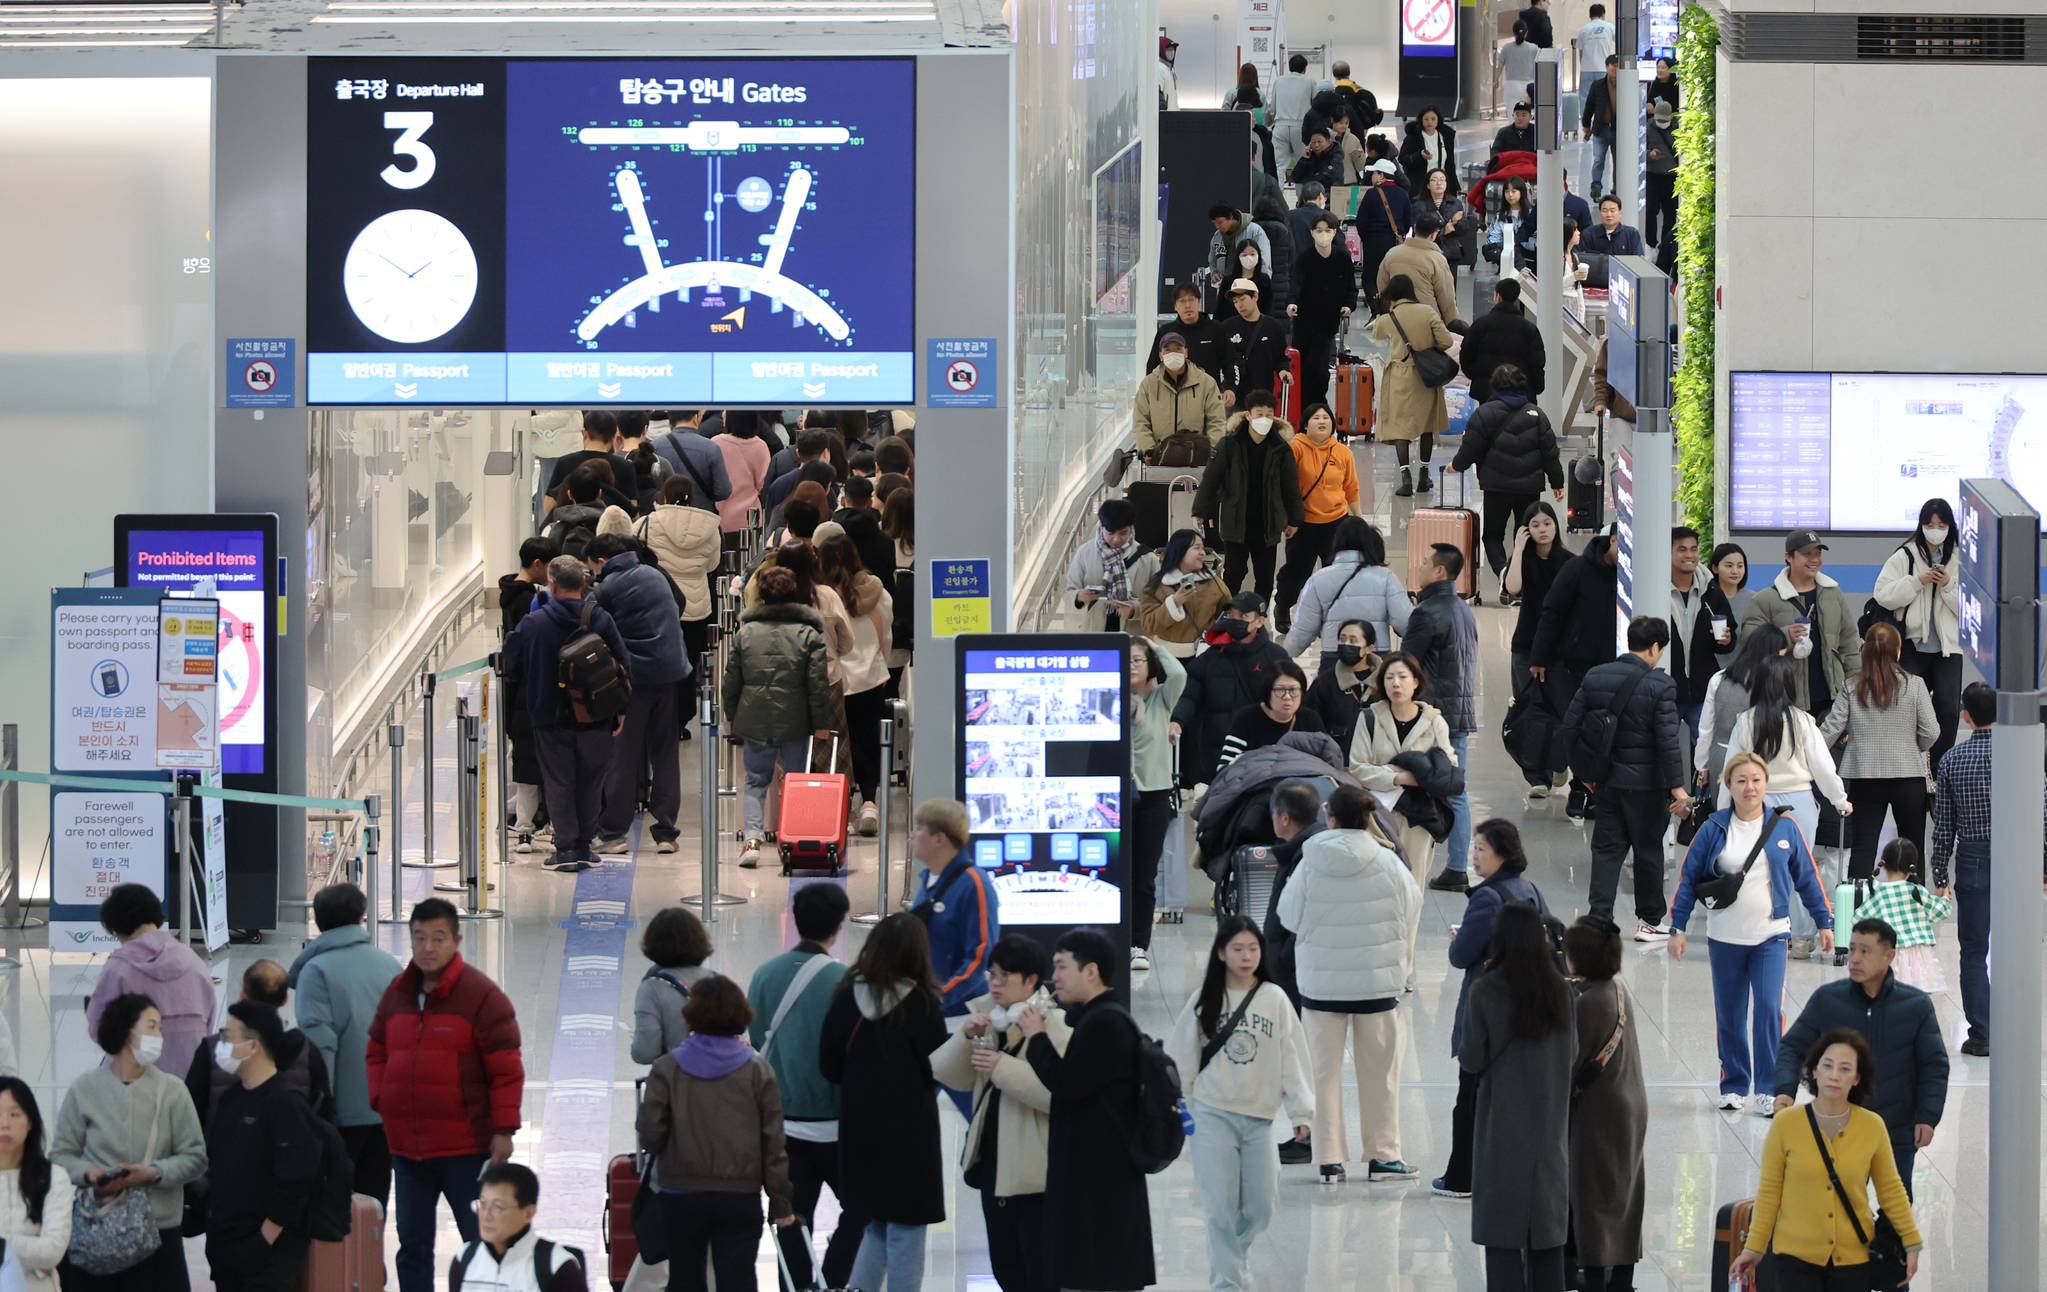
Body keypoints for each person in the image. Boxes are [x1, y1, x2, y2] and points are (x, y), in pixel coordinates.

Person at [368, 898, 524, 1292]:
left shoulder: (482, 997)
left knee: (484, 1242)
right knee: (412, 1245)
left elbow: (506, 1070)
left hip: (464, 1150)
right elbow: (376, 1049)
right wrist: (381, 1099)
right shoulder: (397, 994)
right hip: (408, 1152)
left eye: (438, 938)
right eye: (419, 938)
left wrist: (503, 1130)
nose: (427, 948)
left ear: (456, 940)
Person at [1668, 753, 1836, 1115]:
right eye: (1741, 780)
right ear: (1728, 786)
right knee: (1729, 1014)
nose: (1750, 787)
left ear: (1766, 785)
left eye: (1757, 780)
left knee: (1767, 1012)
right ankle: (1733, 1084)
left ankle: (1768, 1087)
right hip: (1725, 937)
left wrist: (1824, 922)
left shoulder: (1784, 828)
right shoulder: (1712, 829)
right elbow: (1688, 881)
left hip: (1771, 937)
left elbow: (1807, 878)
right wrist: (1677, 927)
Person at [1275, 785, 1421, 1187]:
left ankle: (1329, 1160)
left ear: (1331, 817)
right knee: (1381, 1074)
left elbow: (1288, 916)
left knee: (1322, 1075)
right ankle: (1383, 1157)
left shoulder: (1310, 860)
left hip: (1321, 986)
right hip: (1377, 986)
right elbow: (1412, 909)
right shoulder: (1389, 861)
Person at [1166, 918, 1313, 1287]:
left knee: (1261, 1207)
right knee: (1219, 1210)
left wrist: (1301, 1110)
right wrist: (1179, 1107)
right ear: (1220, 953)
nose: (1246, 956)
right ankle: (1227, 1282)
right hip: (1211, 1115)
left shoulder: (1274, 998)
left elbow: (1293, 1057)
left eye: (1253, 948)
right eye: (1237, 948)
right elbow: (1182, 1056)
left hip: (1260, 1117)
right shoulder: (1204, 1000)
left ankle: (1235, 1258)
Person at [1772, 919, 1948, 1206]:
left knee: (1896, 1212)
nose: (1854, 958)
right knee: (1835, 1211)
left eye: (1865, 951)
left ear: (1889, 956)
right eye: (1852, 949)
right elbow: (1793, 1045)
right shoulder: (1828, 1000)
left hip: (1896, 1131)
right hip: (1837, 1129)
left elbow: (1934, 1065)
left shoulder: (1915, 1006)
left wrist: (1928, 1116)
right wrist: (1784, 1090)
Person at [929, 936, 1068, 1292]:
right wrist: (965, 1036)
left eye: (1005, 976)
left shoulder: (1055, 1025)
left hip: (1036, 1171)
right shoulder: (990, 1019)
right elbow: (947, 1075)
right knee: (1005, 1268)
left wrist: (1001, 1067)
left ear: (1031, 980)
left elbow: (1061, 1096)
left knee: (1038, 1271)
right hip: (993, 1165)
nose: (994, 983)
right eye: (992, 974)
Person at [1018, 929, 1154, 1292]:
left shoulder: (1106, 1023)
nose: (1055, 977)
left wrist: (1036, 1038)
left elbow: (1065, 1084)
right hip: (1097, 1183)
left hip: (1101, 1192)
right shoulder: (1097, 1018)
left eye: (1062, 967)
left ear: (1090, 971)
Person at [637, 975, 793, 1292]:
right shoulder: (757, 1070)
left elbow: (651, 1135)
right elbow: (773, 1144)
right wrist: (781, 1202)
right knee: (739, 1282)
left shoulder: (667, 1068)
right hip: (740, 1197)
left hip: (680, 1196)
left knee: (684, 1280)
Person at [819, 914, 948, 1292]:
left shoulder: (847, 997)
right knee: (907, 1233)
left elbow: (828, 1064)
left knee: (874, 1225)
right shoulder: (922, 1005)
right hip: (911, 1139)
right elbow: (937, 1068)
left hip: (859, 1133)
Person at [1735, 1030, 1923, 1289]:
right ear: (1813, 1071)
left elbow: (1891, 1189)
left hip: (1854, 1259)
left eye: (1845, 1069)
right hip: (1795, 1258)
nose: (1834, 1075)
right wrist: (1753, 1250)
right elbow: (1769, 1192)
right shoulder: (1786, 1124)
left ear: (1857, 1078)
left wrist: (1911, 1241)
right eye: (1827, 1066)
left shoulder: (1872, 1126)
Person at [747, 885, 864, 1290]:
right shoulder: (844, 981)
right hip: (836, 1127)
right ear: (838, 925)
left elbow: (758, 1038)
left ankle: (797, 1286)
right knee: (861, 1209)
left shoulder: (764, 976)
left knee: (791, 1218)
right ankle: (833, 1280)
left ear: (795, 920)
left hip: (782, 1128)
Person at [52, 995, 206, 1292]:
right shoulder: (84, 1090)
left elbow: (196, 1156)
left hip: (159, 1232)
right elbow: (61, 1154)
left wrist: (153, 1172)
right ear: (126, 1033)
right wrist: (90, 1174)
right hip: (98, 1228)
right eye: (152, 1027)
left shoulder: (172, 1090)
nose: (159, 1037)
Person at [1930, 680, 2047, 1057]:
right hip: (2020, 859)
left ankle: (1982, 1034)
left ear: (1965, 716)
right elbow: (2041, 816)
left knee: (1973, 950)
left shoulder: (1951, 760)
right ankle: (2020, 1029)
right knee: (2020, 949)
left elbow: (1944, 825)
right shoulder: (2025, 756)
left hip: (1974, 859)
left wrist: (1939, 874)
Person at [1463, 902, 1575, 1290]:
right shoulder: (1562, 991)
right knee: (1547, 1242)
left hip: (1502, 1131)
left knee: (1502, 1239)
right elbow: (1572, 1055)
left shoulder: (1486, 989)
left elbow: (1472, 1056)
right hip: (1550, 1133)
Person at [1562, 616, 1691, 939]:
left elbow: (1570, 727)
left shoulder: (1596, 676)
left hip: (1607, 782)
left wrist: (1585, 775)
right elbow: (1667, 740)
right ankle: (1649, 920)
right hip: (1647, 786)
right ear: (1656, 647)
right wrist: (1677, 786)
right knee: (1648, 850)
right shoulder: (1661, 685)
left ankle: (1599, 919)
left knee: (1606, 850)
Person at [500, 555, 631, 871]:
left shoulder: (535, 623)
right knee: (591, 781)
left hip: (549, 716)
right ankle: (585, 846)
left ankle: (566, 848)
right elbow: (624, 663)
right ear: (584, 583)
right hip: (596, 715)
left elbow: (510, 656)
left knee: (559, 782)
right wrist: (621, 710)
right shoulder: (600, 618)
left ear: (552, 584)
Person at [287, 883, 402, 1201]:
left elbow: (319, 1045)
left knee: (332, 1211)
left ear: (319, 922)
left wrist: (317, 1113)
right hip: (386, 1109)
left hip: (341, 1115)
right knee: (373, 1205)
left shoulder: (316, 971)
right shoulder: (388, 964)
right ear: (361, 918)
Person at [202, 1002, 323, 1292]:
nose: (221, 1044)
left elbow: (295, 1185)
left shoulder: (286, 1105)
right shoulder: (232, 1098)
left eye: (227, 1037)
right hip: (226, 1248)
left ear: (253, 1047)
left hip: (266, 1257)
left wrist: (261, 1243)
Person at [581, 533, 686, 854]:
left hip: (632, 682)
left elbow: (587, 626)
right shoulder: (656, 574)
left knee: (623, 756)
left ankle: (613, 833)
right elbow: (680, 605)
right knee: (665, 753)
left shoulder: (606, 589)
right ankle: (667, 831)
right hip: (671, 674)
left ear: (601, 561)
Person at [723, 565, 833, 867]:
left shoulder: (745, 633)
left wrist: (730, 715)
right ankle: (795, 838)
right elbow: (818, 685)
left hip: (754, 717)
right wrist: (821, 723)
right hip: (796, 719)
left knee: (756, 781)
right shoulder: (809, 634)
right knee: (797, 781)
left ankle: (753, 840)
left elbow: (731, 680)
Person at [1563, 917, 1645, 1292]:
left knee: (1592, 1195)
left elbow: (1568, 1065)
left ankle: (1595, 1276)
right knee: (1624, 1193)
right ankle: (1623, 1275)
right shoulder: (1617, 990)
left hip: (1598, 1113)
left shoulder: (1588, 1003)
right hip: (1629, 1104)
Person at [1347, 650, 1459, 925]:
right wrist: (1398, 777)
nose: (1396, 683)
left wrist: (1413, 773)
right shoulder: (1369, 719)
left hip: (1419, 820)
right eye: (1389, 677)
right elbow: (1357, 768)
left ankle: (1403, 966)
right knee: (1375, 893)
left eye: (1402, 677)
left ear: (1416, 682)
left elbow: (1449, 768)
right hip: (1375, 819)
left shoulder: (1434, 722)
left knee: (1411, 893)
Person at [1821, 622, 1937, 881]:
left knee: (1863, 846)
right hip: (1908, 777)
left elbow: (1830, 730)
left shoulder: (1851, 686)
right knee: (1912, 847)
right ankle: (1912, 906)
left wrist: (1807, 757)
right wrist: (1912, 746)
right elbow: (1932, 731)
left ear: (1865, 651)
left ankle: (1857, 908)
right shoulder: (1915, 685)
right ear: (1898, 652)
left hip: (1864, 776)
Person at [1402, 543, 1479, 888]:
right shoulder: (1463, 609)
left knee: (1408, 784)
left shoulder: (1427, 612)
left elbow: (1407, 666)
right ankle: (1458, 866)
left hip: (1431, 715)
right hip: (1459, 712)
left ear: (1439, 572)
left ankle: (1407, 858)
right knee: (1455, 791)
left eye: (1424, 563)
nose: (1419, 568)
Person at [1530, 527, 1620, 817]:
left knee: (1612, 731)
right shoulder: (1578, 569)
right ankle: (1580, 788)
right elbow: (1552, 612)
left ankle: (1600, 790)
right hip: (1579, 664)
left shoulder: (1634, 573)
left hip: (1622, 665)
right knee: (1584, 728)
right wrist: (1539, 656)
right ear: (1613, 540)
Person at [84, 885, 216, 1080]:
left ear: (117, 928)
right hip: (192, 1074)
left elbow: (101, 1031)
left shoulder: (119, 968)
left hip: (133, 1076)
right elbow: (209, 1022)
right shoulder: (194, 962)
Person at [1449, 365, 1564, 585]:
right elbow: (1550, 452)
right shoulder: (1536, 414)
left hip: (1496, 486)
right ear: (1523, 384)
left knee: (1492, 535)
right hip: (1529, 488)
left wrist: (1456, 466)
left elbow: (1470, 448)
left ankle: (1504, 574)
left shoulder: (1483, 413)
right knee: (1526, 533)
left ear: (1494, 386)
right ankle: (1523, 579)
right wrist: (1557, 482)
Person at [1723, 654, 1852, 848]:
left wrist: (1723, 810)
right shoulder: (1803, 721)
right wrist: (1840, 801)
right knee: (1798, 869)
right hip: (1798, 804)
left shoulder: (1744, 722)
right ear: (1790, 684)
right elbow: (1823, 769)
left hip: (1755, 802)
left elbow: (1730, 772)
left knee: (1759, 869)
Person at [184, 961, 332, 1127]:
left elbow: (190, 1112)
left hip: (223, 1150)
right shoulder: (307, 1051)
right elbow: (323, 1112)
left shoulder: (212, 1050)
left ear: (243, 995)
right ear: (285, 999)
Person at [1872, 498, 1963, 766]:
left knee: (1948, 710)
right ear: (1921, 525)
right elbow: (1882, 594)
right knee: (1907, 709)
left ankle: (1938, 767)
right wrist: (1916, 581)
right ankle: (1909, 764)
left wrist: (1947, 585)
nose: (1935, 529)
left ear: (1950, 526)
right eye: (1929, 524)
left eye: (1942, 524)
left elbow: (1972, 607)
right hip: (1912, 646)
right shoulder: (1905, 555)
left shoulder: (1961, 557)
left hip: (1949, 648)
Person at [1193, 389, 1303, 605]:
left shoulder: (1281, 448)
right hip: (1236, 521)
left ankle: (1259, 616)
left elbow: (1290, 485)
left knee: (1264, 578)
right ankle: (1225, 614)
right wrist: (1199, 512)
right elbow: (1211, 479)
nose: (1264, 419)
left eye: (1269, 415)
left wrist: (1295, 519)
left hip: (1267, 523)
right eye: (1259, 414)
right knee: (1234, 574)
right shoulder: (1229, 444)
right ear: (1248, 416)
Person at [1171, 592, 1293, 787]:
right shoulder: (1211, 657)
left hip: (1261, 755)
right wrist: (1177, 720)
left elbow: (1292, 699)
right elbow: (1190, 694)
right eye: (1231, 615)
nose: (1234, 620)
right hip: (1216, 755)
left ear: (1259, 622)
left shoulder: (1276, 658)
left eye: (1243, 616)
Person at [817, 531, 894, 834]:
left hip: (835, 680)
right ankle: (870, 803)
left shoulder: (823, 598)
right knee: (868, 741)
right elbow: (886, 635)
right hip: (872, 677)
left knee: (837, 746)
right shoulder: (880, 594)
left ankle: (842, 807)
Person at [635, 475, 721, 734]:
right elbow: (712, 565)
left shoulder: (645, 524)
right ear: (693, 498)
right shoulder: (708, 527)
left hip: (656, 602)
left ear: (663, 498)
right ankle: (682, 718)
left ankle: (657, 717)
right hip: (696, 606)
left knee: (657, 660)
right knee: (688, 662)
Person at [1742, 529, 1861, 715]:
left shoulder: (1833, 593)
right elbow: (1750, 643)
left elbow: (1849, 641)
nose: (1814, 559)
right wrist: (1784, 635)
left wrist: (1855, 681)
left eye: (1818, 553)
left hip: (1832, 698)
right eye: (1807, 554)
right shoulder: (1765, 599)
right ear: (1788, 556)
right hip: (1785, 698)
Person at [1504, 502, 1576, 794]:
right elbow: (1513, 588)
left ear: (1556, 526)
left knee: (1562, 711)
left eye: (1547, 523)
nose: (1542, 529)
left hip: (1561, 652)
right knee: (1528, 713)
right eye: (1535, 525)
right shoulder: (1523, 559)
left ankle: (1559, 762)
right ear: (1526, 530)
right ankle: (1538, 778)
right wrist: (1519, 550)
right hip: (1525, 645)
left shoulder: (1570, 563)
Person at [1272, 404, 1362, 631]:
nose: (1322, 422)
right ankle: (1283, 606)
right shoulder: (1295, 449)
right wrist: (1288, 520)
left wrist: (1358, 519)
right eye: (1315, 418)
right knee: (1297, 572)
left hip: (1336, 522)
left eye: (1326, 418)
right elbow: (1285, 486)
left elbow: (1351, 487)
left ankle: (1334, 616)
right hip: (1303, 523)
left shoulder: (1343, 452)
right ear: (1304, 424)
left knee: (1336, 571)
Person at [1283, 518, 1411, 675]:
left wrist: (1284, 657)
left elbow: (1303, 629)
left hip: (1334, 657)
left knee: (1332, 697)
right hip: (1375, 657)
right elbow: (1405, 622)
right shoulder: (1386, 578)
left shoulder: (1318, 580)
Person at [907, 798, 1001, 1011]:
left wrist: (940, 998)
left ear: (939, 839)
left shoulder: (973, 885)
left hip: (959, 1015)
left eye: (919, 829)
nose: (912, 835)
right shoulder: (929, 881)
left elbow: (981, 956)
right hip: (927, 1008)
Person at [499, 535, 559, 849]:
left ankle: (523, 824)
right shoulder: (530, 604)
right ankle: (542, 823)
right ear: (537, 565)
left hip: (520, 692)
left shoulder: (512, 594)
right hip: (535, 693)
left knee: (523, 765)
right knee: (544, 765)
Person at [1128, 638, 1187, 960]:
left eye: (1139, 660)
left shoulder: (1161, 700)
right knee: (1114, 870)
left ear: (1150, 665)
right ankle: (1111, 938)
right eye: (1127, 660)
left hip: (1153, 796)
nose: (1133, 666)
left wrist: (1157, 646)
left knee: (1144, 875)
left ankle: (1138, 944)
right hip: (1114, 798)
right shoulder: (1106, 697)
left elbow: (1178, 674)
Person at [1372, 273, 1454, 497]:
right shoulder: (1427, 312)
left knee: (1401, 428)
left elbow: (1377, 333)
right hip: (1425, 376)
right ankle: (1423, 476)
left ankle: (1405, 477)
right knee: (1426, 425)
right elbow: (1446, 341)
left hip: (1399, 375)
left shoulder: (1390, 317)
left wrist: (1380, 309)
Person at [447, 1164, 589, 1292]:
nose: (486, 1216)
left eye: (497, 1207)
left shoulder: (557, 1265)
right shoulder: (465, 1257)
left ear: (528, 1213)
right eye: (483, 1204)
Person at [0, 1078, 72, 1292]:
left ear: (30, 1122)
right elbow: (43, 1254)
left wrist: (4, 1246)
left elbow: (53, 1249)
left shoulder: (54, 1177)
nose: (4, 1123)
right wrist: (33, 1256)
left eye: (14, 1114)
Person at [1857, 840, 1954, 992]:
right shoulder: (1917, 891)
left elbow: (1858, 919)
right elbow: (1941, 911)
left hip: (1887, 956)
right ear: (1911, 868)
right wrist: (1944, 898)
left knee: (1887, 996)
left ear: (1884, 866)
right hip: (1918, 958)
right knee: (1914, 998)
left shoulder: (1879, 893)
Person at [1663, 526, 1732, 738]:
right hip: (1665, 692)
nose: (1690, 555)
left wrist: (1726, 640)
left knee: (1708, 752)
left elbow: (1728, 641)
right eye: (1682, 549)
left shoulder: (1711, 592)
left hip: (1702, 692)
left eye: (1693, 549)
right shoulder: (1654, 589)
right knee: (1660, 754)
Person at [1287, 212, 1356, 412]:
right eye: (1319, 230)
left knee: (1320, 370)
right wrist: (1292, 303)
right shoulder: (1305, 258)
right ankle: (1305, 409)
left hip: (1328, 323)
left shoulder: (1343, 258)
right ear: (1312, 233)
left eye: (1327, 230)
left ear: (1334, 233)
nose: (1323, 234)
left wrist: (1348, 305)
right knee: (1303, 369)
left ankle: (1317, 407)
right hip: (1304, 322)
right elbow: (1296, 284)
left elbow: (1351, 288)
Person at [630, 906, 715, 1064]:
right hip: (726, 1079)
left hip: (680, 1080)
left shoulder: (652, 988)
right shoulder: (718, 982)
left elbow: (645, 1053)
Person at [1066, 499, 1157, 634]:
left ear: (1131, 528)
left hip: (1134, 636)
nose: (1116, 539)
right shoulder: (1085, 553)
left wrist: (1135, 609)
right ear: (1101, 526)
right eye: (1110, 533)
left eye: (1123, 533)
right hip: (1094, 632)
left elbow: (1157, 601)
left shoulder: (1147, 559)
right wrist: (1079, 596)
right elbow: (1068, 592)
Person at [1138, 529, 1231, 658]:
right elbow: (1149, 625)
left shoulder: (1213, 581)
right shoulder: (1158, 584)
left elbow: (1227, 613)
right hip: (1170, 658)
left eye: (1203, 548)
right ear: (1180, 551)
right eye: (1196, 548)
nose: (1202, 553)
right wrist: (1173, 603)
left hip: (1205, 655)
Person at [1216, 661, 1323, 771]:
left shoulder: (1310, 719)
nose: (1287, 697)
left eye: (1293, 690)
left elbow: (1327, 762)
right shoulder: (1246, 718)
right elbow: (1225, 769)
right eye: (1280, 690)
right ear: (1267, 691)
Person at [1134, 330, 1229, 453]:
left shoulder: (1206, 382)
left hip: (1196, 457)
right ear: (1160, 355)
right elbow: (1140, 422)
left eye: (1178, 349)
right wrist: (1149, 451)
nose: (1173, 353)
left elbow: (1216, 421)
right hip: (1159, 457)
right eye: (1167, 350)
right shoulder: (1148, 384)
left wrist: (1210, 451)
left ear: (1186, 353)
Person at [1459, 281, 1545, 405]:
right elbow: (1536, 363)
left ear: (1498, 296)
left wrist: (1478, 377)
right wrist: (1536, 387)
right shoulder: (1529, 328)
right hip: (1520, 392)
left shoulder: (1481, 324)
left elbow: (1467, 354)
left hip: (1487, 389)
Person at [1214, 279, 1290, 414]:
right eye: (1235, 302)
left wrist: (1283, 371)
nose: (1239, 305)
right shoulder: (1227, 327)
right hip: (1234, 397)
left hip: (1263, 398)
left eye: (1242, 299)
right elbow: (1221, 359)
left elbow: (1280, 357)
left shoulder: (1274, 327)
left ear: (1255, 297)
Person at [1303, 621, 1379, 751]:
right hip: (1336, 762)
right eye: (1342, 639)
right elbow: (1309, 724)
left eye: (1353, 641)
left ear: (1369, 648)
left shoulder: (1386, 681)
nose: (1346, 645)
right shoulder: (1324, 682)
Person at [1377, 212, 1461, 328]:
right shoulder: (1437, 260)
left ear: (1415, 228)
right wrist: (1452, 323)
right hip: (1428, 320)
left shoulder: (1392, 254)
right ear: (1433, 235)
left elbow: (1382, 285)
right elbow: (1446, 297)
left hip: (1397, 320)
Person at [545, 411, 639, 510]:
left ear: (585, 433)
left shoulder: (565, 462)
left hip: (571, 523)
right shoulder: (625, 466)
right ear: (613, 438)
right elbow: (632, 508)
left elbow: (549, 506)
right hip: (611, 523)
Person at [1354, 160, 1411, 298]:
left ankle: (1376, 310)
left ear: (1381, 176)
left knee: (1370, 277)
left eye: (1374, 173)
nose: (1372, 176)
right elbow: (1408, 220)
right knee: (1392, 276)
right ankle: (1392, 309)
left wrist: (1366, 238)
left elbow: (1361, 221)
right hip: (1396, 242)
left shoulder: (1372, 194)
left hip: (1374, 241)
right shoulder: (1403, 193)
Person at [1146, 286, 1223, 378]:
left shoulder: (1215, 328)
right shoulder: (1165, 331)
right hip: (1173, 390)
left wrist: (1230, 387)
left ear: (1199, 303)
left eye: (1191, 300)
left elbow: (1230, 361)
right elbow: (1153, 366)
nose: (1187, 305)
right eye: (1182, 301)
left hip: (1208, 390)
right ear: (1175, 306)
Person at [1415, 168, 1476, 274]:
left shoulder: (1456, 203)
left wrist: (1457, 223)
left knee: (1449, 288)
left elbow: (1465, 229)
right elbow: (1418, 232)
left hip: (1451, 254)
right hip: (1427, 253)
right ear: (1428, 185)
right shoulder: (1419, 206)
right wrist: (1444, 231)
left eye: (1442, 179)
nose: (1439, 183)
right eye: (1434, 180)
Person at [1205, 205, 1271, 297]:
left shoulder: (1254, 231)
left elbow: (1264, 260)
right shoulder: (1217, 236)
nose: (1217, 226)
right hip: (1226, 289)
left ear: (1231, 216)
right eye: (1214, 223)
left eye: (1220, 222)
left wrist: (1259, 285)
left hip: (1250, 289)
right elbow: (1212, 260)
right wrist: (1214, 273)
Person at [1580, 56, 1622, 195]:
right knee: (1598, 159)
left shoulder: (1625, 85)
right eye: (1613, 65)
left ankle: (1617, 189)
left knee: (1619, 161)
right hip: (1601, 128)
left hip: (1619, 130)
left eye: (1618, 65)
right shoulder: (1598, 85)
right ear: (1607, 67)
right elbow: (1589, 105)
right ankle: (1596, 186)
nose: (1616, 68)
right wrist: (1586, 124)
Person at [1270, 52, 1317, 172]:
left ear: (1289, 67)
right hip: (1301, 126)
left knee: (1279, 166)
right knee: (1302, 163)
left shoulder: (1279, 81)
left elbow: (1273, 106)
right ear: (1305, 68)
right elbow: (1315, 106)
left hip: (1280, 126)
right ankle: (1301, 191)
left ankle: (1278, 191)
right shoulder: (1310, 82)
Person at [1706, 542, 1752, 664]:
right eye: (1729, 566)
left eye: (1740, 566)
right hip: (1710, 672)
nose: (1735, 571)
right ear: (1715, 568)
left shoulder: (1754, 600)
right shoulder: (1705, 600)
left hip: (1745, 672)